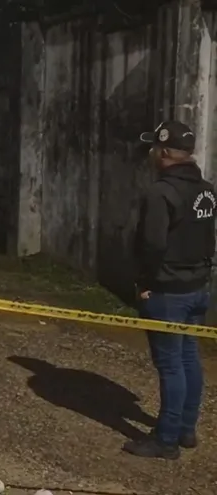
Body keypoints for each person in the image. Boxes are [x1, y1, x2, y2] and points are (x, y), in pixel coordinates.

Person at [123, 121, 215, 460]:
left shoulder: (160, 193)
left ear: (162, 152)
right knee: (189, 357)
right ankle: (185, 429)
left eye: (153, 148)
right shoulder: (206, 190)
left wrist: (145, 283)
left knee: (172, 365)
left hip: (168, 291)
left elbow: (152, 244)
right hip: (197, 287)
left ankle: (166, 440)